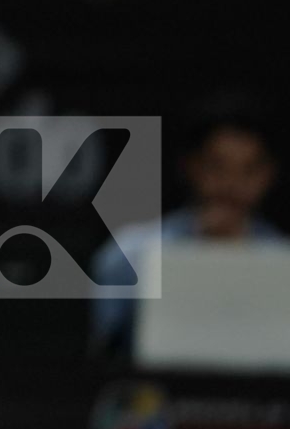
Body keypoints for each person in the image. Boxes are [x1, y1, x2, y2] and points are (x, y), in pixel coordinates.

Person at [90, 103, 284, 357]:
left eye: (248, 170)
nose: (231, 184)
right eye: (217, 167)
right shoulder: (130, 255)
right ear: (191, 166)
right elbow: (103, 349)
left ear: (267, 175)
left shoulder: (282, 261)